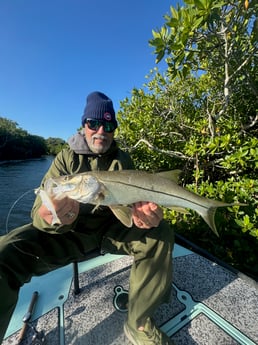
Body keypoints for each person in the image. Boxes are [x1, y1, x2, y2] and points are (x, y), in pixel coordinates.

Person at [0, 91, 175, 345]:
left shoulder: (123, 159)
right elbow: (40, 210)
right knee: (5, 251)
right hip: (68, 237)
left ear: (114, 129)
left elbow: (131, 208)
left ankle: (139, 322)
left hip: (111, 232)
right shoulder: (65, 158)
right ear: (84, 126)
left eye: (109, 125)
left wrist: (142, 217)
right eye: (93, 124)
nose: (101, 131)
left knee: (160, 232)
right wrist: (51, 217)